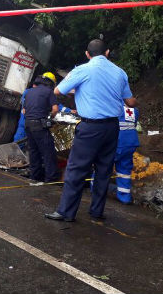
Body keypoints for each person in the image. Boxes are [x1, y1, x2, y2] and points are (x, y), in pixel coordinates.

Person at [45, 39, 137, 222]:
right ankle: (96, 211)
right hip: (112, 128)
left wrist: (77, 89)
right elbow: (130, 102)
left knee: (76, 168)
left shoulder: (82, 70)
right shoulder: (120, 73)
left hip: (90, 128)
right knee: (104, 170)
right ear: (107, 52)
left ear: (87, 54)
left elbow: (57, 91)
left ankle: (66, 212)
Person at [23, 73, 59, 183]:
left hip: (28, 125)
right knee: (48, 152)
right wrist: (50, 116)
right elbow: (55, 109)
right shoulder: (49, 92)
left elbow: (24, 110)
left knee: (34, 152)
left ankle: (34, 177)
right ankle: (50, 178)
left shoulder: (29, 92)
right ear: (51, 83)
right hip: (39, 126)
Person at [114, 105, 140, 204]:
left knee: (102, 165)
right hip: (130, 143)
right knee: (124, 169)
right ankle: (124, 197)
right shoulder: (134, 109)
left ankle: (95, 189)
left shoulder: (113, 107)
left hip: (117, 142)